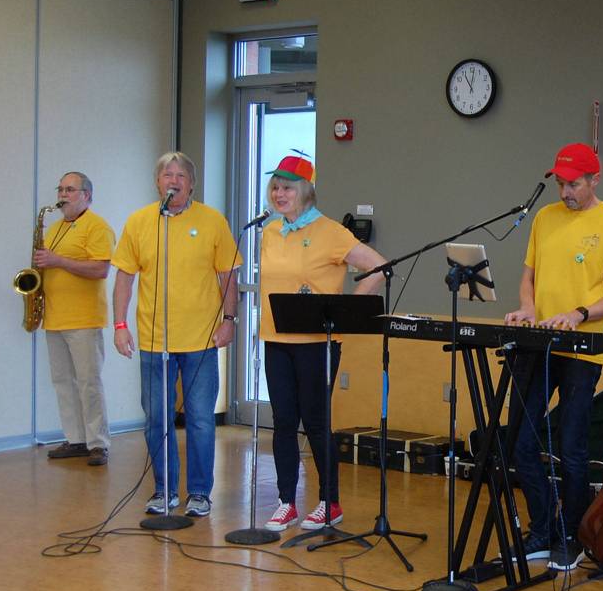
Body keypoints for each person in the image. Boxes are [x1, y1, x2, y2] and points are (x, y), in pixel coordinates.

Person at [503, 143, 603, 571]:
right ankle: (542, 529)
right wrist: (528, 307)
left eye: (574, 184)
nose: (565, 192)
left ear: (594, 180)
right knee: (521, 441)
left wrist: (579, 314)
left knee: (572, 447)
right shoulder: (544, 218)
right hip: (539, 344)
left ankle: (573, 535)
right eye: (561, 183)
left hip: (583, 350)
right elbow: (529, 278)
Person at [259, 154, 387, 533]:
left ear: (305, 191)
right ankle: (285, 502)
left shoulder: (331, 231)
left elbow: (379, 267)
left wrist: (346, 307)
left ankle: (329, 503)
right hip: (275, 338)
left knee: (316, 423)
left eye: (287, 187)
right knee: (283, 422)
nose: (280, 194)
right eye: (275, 187)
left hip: (317, 343)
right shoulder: (269, 231)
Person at [112, 152, 242, 518]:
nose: (174, 180)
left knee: (200, 418)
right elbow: (124, 276)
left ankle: (199, 492)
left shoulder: (212, 220)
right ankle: (164, 490)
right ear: (157, 183)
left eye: (180, 175)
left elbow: (228, 274)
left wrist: (229, 319)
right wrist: (120, 325)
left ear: (192, 182)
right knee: (157, 418)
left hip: (201, 339)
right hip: (155, 340)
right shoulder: (140, 222)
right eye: (167, 174)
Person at [38, 172, 115, 466]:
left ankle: (98, 443)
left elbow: (100, 270)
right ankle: (76, 439)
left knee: (88, 382)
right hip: (55, 317)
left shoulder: (97, 227)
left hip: (84, 318)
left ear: (86, 195)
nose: (63, 194)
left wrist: (58, 261)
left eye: (70, 189)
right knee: (62, 382)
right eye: (60, 189)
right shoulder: (55, 228)